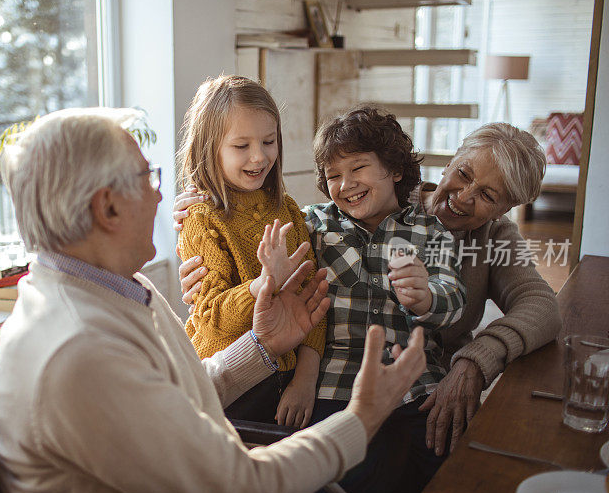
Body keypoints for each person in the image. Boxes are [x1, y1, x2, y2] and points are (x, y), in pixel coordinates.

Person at [0, 107, 428, 493]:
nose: (165, 199)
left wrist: (262, 346)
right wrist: (362, 417)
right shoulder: (78, 349)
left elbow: (177, 397)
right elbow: (242, 491)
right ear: (108, 206)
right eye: (147, 177)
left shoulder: (113, 287)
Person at [176, 121, 561, 463]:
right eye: (463, 173)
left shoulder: (487, 238)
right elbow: (256, 242)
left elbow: (541, 305)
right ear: (450, 161)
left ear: (507, 209)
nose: (463, 196)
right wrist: (203, 214)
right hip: (331, 383)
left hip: (417, 384)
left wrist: (474, 360)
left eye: (488, 196)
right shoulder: (333, 212)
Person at [176, 107, 466, 493]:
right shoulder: (312, 223)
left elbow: (454, 299)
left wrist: (428, 297)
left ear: (396, 169)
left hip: (415, 387)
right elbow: (249, 232)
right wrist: (191, 210)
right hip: (337, 388)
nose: (346, 184)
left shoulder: (432, 231)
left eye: (358, 169)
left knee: (449, 475)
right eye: (333, 176)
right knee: (347, 485)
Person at [177, 75, 326, 427]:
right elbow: (211, 317)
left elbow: (313, 298)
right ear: (209, 148)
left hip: (287, 381)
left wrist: (305, 379)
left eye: (269, 141)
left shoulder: (287, 208)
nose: (259, 157)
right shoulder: (200, 219)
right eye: (241, 146)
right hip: (229, 384)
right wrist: (263, 284)